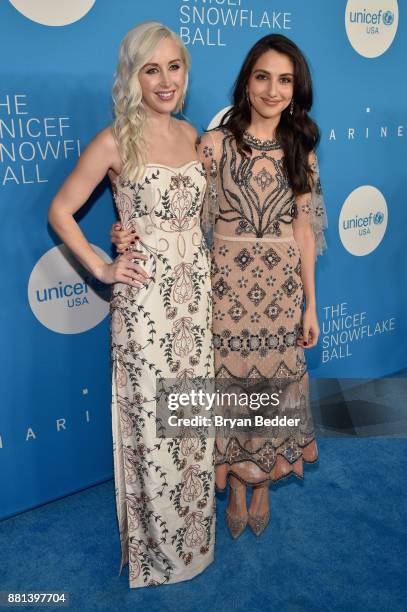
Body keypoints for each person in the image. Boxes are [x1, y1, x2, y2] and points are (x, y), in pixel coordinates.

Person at [112, 33, 327, 539]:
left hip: (281, 294)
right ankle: (234, 485)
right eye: (262, 77)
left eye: (284, 80)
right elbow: (171, 203)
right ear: (246, 81)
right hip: (223, 292)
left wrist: (311, 303)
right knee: (229, 390)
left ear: (296, 89)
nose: (272, 90)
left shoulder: (303, 152)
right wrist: (123, 226)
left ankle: (262, 485)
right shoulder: (210, 146)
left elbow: (305, 230)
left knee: (273, 390)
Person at [48, 22, 215, 588]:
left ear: (185, 73)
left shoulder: (194, 134)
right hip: (145, 309)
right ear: (133, 76)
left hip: (195, 308)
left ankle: (194, 544)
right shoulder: (116, 139)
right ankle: (158, 556)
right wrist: (102, 265)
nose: (165, 80)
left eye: (173, 67)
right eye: (151, 69)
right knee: (152, 427)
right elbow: (62, 210)